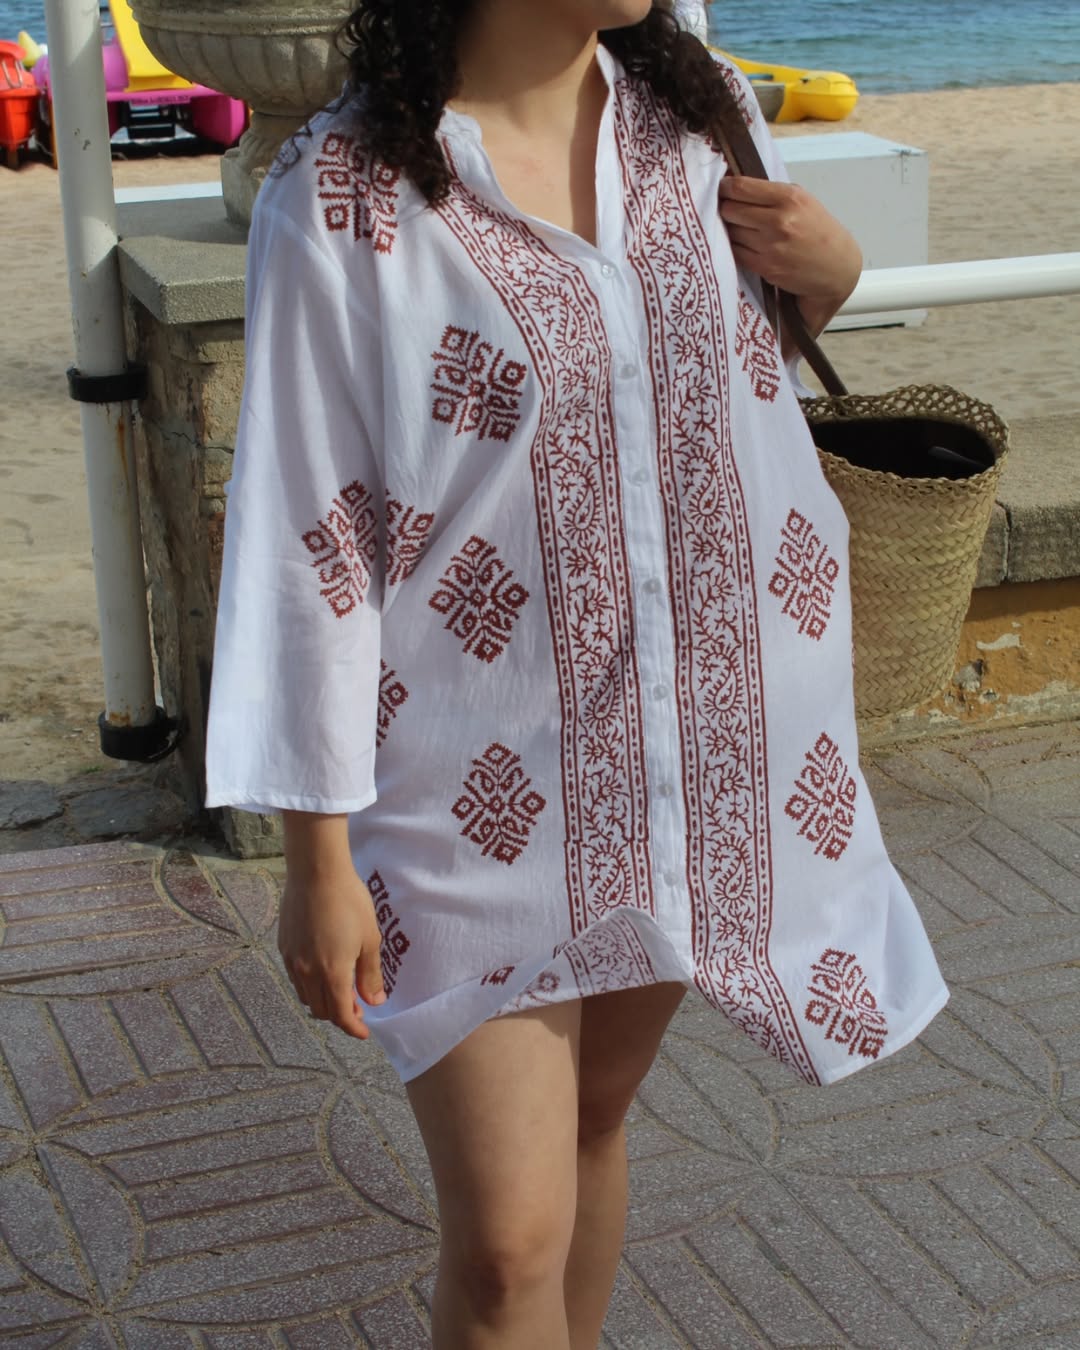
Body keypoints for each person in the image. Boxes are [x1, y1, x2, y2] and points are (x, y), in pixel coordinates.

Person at [205, 2, 948, 1345]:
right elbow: (309, 531)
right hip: (465, 775)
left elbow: (713, 393)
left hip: (697, 751)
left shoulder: (699, 116)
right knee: (504, 1245)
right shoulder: (346, 194)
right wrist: (314, 851)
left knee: (595, 1122)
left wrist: (832, 276)